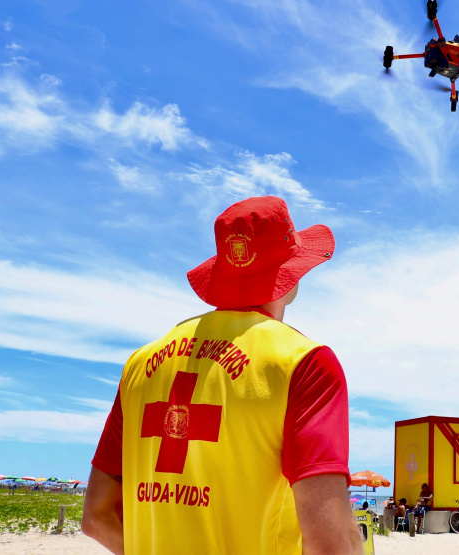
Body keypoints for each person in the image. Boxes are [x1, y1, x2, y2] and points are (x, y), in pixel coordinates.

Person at [81, 196, 361, 555]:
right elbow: (327, 546)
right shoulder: (302, 363)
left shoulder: (141, 363)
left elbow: (97, 516)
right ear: (290, 278)